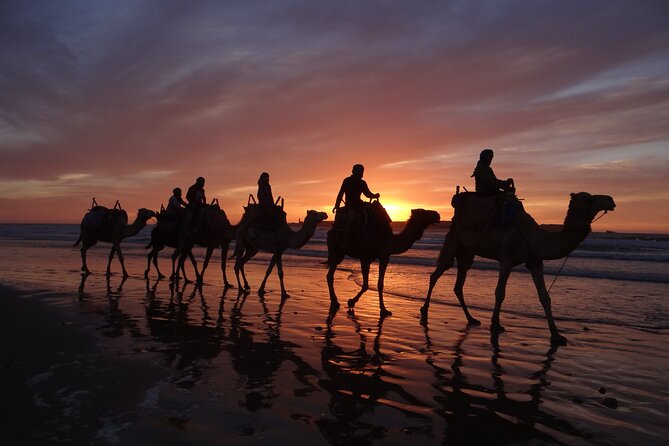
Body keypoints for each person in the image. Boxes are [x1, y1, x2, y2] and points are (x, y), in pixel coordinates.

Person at [333, 164, 380, 248]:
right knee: (351, 217)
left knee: (375, 211)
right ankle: (346, 240)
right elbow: (341, 193)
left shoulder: (362, 182)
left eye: (362, 171)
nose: (362, 173)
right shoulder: (347, 181)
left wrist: (375, 196)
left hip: (360, 204)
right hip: (350, 206)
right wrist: (337, 205)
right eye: (360, 171)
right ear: (354, 171)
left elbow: (367, 194)